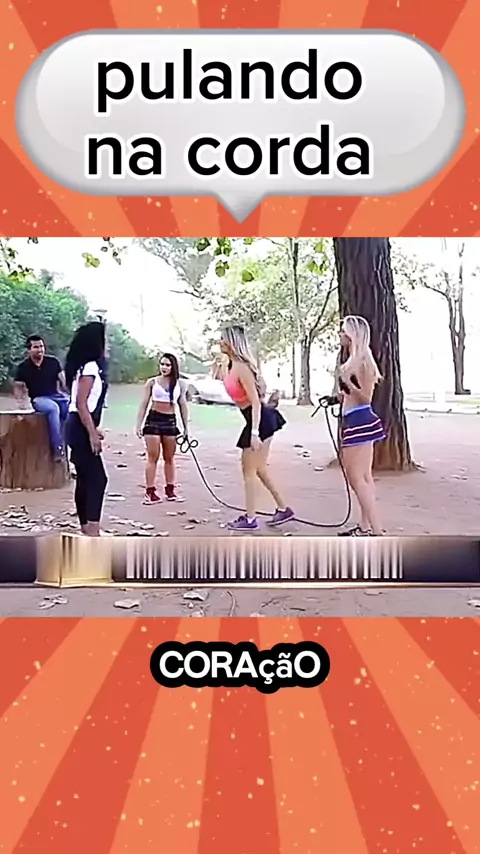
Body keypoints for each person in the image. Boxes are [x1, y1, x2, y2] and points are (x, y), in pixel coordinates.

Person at [218, 325, 294, 531]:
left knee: (249, 470)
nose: (219, 342)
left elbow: (256, 402)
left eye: (223, 339)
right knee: (258, 468)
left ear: (232, 342)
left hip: (259, 419)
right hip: (255, 418)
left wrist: (254, 432)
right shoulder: (231, 366)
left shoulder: (242, 368)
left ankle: (250, 519)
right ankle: (283, 509)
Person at [336, 315, 386, 536]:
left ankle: (377, 531)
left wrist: (348, 383)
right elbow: (353, 396)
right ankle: (366, 527)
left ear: (351, 335)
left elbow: (366, 397)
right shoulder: (354, 361)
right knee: (364, 476)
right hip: (354, 418)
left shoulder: (363, 362)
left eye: (343, 331)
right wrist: (340, 396)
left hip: (360, 420)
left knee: (356, 477)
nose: (340, 335)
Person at [64, 322, 108, 537]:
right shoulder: (90, 367)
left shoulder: (86, 367)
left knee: (85, 477)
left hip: (78, 424)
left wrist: (94, 429)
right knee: (98, 479)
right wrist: (92, 434)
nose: (107, 346)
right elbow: (82, 403)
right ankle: (92, 531)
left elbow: (82, 404)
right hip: (79, 426)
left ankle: (86, 528)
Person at [135, 353, 189, 504]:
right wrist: (138, 425)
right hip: (153, 420)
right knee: (153, 456)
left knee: (169, 457)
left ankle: (170, 490)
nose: (164, 367)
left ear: (173, 367)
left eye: (168, 365)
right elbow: (144, 403)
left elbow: (183, 405)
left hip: (170, 421)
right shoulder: (152, 382)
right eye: (162, 364)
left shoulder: (180, 384)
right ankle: (150, 491)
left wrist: (186, 428)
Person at [13, 335, 69, 461]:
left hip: (56, 396)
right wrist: (22, 403)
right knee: (53, 408)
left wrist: (70, 395)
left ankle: (70, 447)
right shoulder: (23, 367)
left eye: (41, 346)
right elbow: (18, 387)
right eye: (36, 347)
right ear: (29, 350)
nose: (40, 350)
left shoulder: (53, 362)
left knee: (68, 408)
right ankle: (57, 449)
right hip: (39, 399)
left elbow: (63, 382)